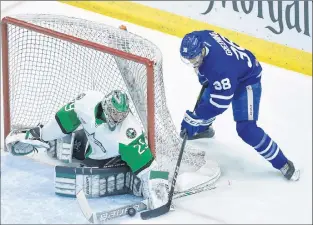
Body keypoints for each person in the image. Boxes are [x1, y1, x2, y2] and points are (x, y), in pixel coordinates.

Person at [5, 89, 169, 209]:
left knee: (95, 174)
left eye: (121, 115)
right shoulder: (87, 101)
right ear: (105, 106)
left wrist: (158, 189)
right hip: (89, 144)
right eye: (114, 113)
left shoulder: (129, 132)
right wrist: (41, 134)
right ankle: (63, 142)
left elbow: (148, 166)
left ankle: (127, 174)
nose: (117, 118)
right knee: (76, 142)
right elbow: (64, 120)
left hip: (110, 159)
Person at [179, 30, 300, 181]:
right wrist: (203, 76)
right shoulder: (200, 36)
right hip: (232, 70)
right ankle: (204, 129)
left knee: (246, 129)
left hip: (247, 79)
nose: (192, 62)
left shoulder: (219, 68)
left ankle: (282, 163)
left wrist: (195, 118)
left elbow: (219, 104)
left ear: (202, 50)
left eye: (195, 58)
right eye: (189, 59)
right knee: (209, 95)